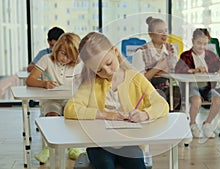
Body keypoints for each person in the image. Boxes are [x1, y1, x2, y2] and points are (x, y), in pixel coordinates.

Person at [64, 32, 169, 169]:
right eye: (99, 70)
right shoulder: (90, 84)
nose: (107, 71)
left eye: (109, 63)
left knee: (137, 165)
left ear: (115, 51)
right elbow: (70, 109)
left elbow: (161, 104)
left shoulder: (135, 79)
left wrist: (145, 114)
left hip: (129, 143)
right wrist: (106, 115)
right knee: (105, 165)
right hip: (99, 145)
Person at [26, 32, 84, 163]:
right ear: (57, 48)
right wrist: (44, 83)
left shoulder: (78, 64)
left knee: (73, 116)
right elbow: (30, 80)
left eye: (69, 56)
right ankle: (47, 148)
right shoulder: (47, 59)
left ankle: (73, 147)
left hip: (71, 100)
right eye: (63, 53)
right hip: (52, 100)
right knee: (52, 116)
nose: (65, 59)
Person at [175, 28, 220, 139]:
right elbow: (178, 70)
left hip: (206, 86)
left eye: (205, 44)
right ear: (193, 41)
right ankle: (192, 124)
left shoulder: (210, 55)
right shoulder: (186, 56)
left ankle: (207, 123)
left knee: (219, 100)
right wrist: (195, 70)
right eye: (199, 43)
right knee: (196, 101)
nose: (201, 47)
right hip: (192, 86)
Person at [132, 16, 180, 110]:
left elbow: (176, 71)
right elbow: (139, 81)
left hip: (169, 89)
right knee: (161, 96)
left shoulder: (171, 49)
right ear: (151, 34)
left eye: (166, 31)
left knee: (179, 93)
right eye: (160, 31)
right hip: (147, 91)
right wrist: (158, 68)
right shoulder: (141, 53)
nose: (164, 34)